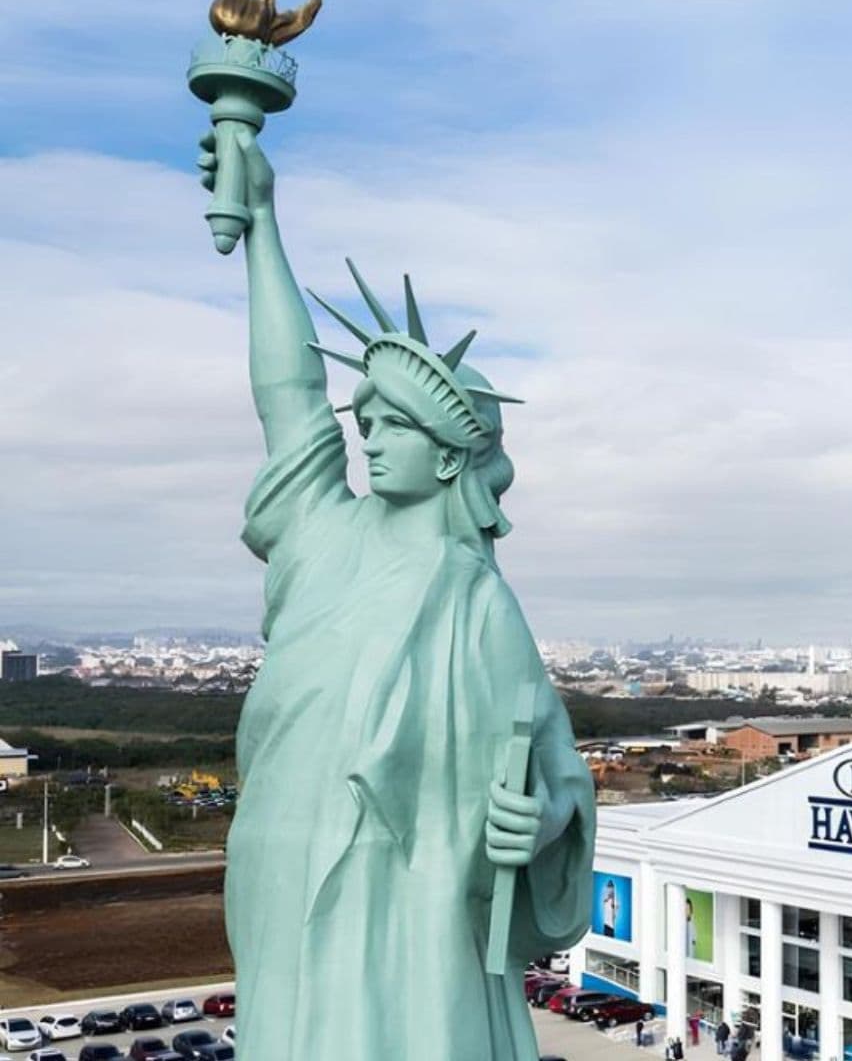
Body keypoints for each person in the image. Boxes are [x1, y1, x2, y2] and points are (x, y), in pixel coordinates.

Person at [201, 120, 596, 1060]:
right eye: (367, 420)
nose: (369, 439)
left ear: (453, 454)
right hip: (280, 861)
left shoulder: (473, 601)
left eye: (394, 426)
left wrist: (541, 819)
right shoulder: (320, 533)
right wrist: (263, 223)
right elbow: (289, 394)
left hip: (408, 897)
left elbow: (552, 766)